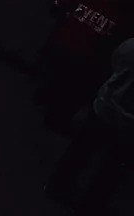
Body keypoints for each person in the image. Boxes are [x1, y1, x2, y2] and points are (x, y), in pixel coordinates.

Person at [47, 36, 134, 208]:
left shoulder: (131, 44)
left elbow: (115, 60)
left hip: (105, 105)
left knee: (81, 150)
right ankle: (91, 205)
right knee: (111, 168)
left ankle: (56, 184)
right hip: (128, 122)